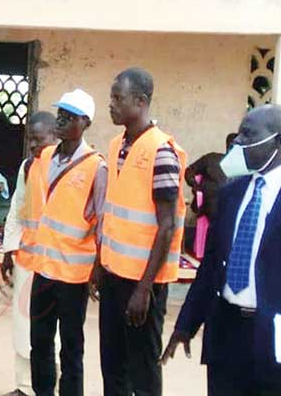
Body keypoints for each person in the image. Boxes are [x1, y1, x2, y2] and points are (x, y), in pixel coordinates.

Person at [161, 104, 281, 396]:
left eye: (249, 134)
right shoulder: (232, 192)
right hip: (225, 331)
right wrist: (187, 323)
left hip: (273, 336)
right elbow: (212, 264)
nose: (239, 141)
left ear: (278, 141)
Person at [93, 67, 187, 396]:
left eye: (118, 98)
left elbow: (167, 225)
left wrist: (144, 289)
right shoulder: (116, 143)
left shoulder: (162, 151)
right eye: (111, 98)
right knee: (113, 368)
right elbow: (114, 214)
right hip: (114, 275)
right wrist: (100, 264)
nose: (111, 104)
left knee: (143, 372)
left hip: (143, 285)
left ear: (141, 101)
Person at [19, 89, 106, 396]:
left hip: (74, 275)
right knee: (39, 342)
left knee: (71, 348)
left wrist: (98, 268)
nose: (61, 121)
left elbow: (103, 222)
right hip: (43, 269)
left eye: (69, 117)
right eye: (60, 115)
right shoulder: (43, 157)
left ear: (85, 123)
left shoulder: (96, 166)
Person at [0, 111, 57, 396]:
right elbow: (17, 210)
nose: (34, 146)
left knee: (48, 330)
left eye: (40, 140)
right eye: (30, 140)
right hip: (26, 258)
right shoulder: (26, 167)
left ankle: (46, 387)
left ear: (55, 137)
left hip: (56, 264)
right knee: (22, 325)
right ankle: (23, 386)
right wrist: (9, 251)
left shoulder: (63, 168)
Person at [185, 132, 237, 258]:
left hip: (231, 204)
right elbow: (189, 171)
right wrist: (195, 187)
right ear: (228, 146)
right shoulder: (212, 159)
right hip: (211, 202)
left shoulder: (243, 167)